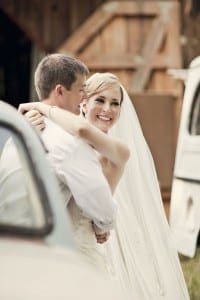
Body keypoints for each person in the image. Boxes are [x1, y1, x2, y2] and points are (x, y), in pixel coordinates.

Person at [20, 72, 190, 299]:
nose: (107, 109)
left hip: (93, 243)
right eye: (100, 100)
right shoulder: (60, 141)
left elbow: (98, 218)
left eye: (115, 103)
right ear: (83, 102)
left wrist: (41, 107)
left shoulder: (117, 151)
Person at [0, 54, 120, 246]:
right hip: (36, 246)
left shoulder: (19, 134)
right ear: (60, 91)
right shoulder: (69, 142)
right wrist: (103, 225)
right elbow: (103, 210)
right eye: (81, 89)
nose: (85, 97)